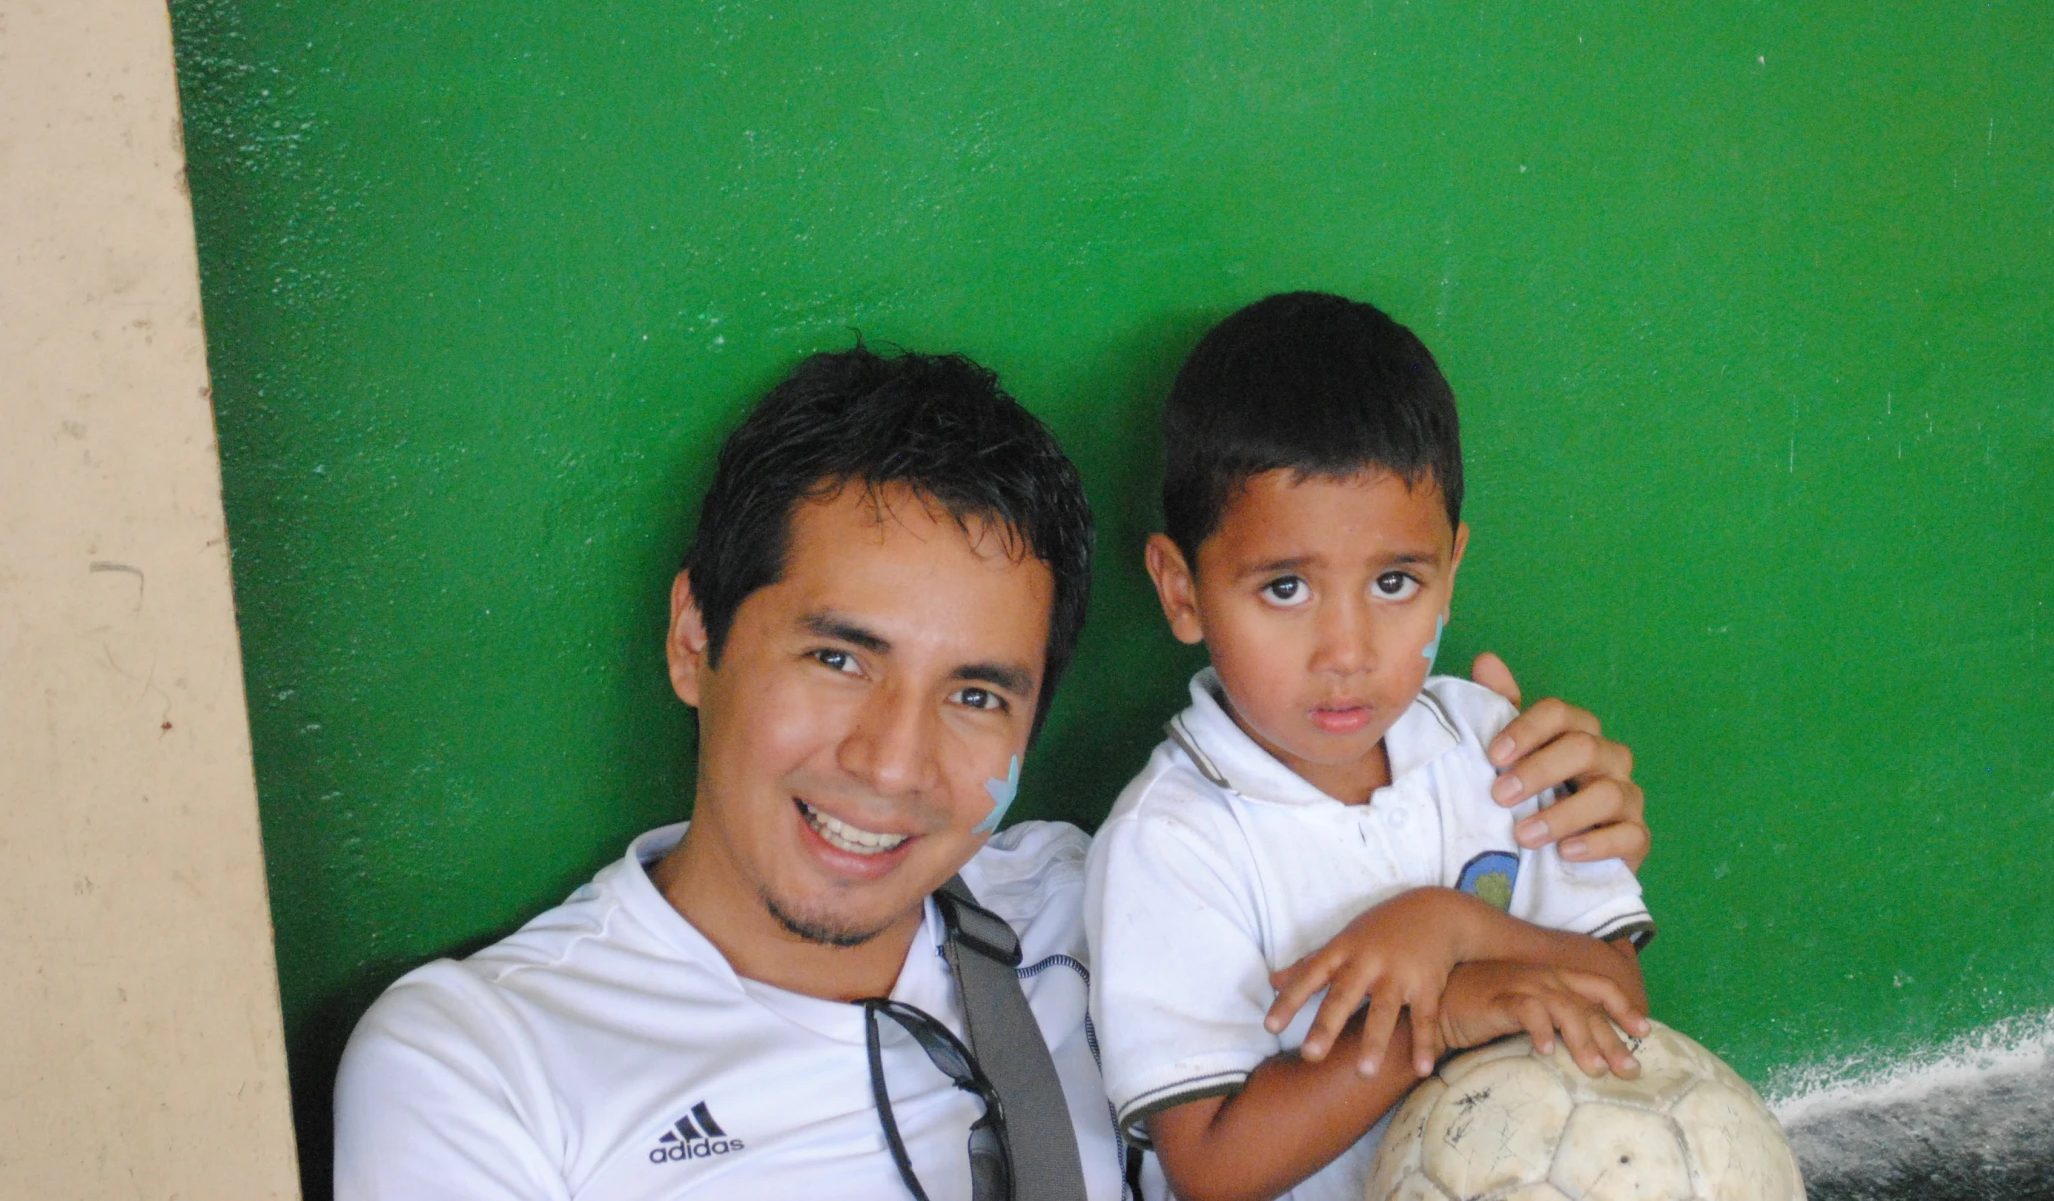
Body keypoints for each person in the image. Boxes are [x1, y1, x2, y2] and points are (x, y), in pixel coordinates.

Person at [335, 343, 1653, 1200]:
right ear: (696, 639)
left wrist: (1537, 812)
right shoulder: (482, 1057)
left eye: (976, 693)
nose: (893, 763)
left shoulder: (1095, 896)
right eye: (839, 659)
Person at [1086, 293, 1656, 1201]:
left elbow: (1621, 997)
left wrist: (1454, 926)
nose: (1346, 652)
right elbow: (1212, 1166)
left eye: (1394, 581)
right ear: (1182, 590)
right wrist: (1443, 1011)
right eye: (1283, 589)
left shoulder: (1490, 747)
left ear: (1450, 573)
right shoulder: (1172, 840)